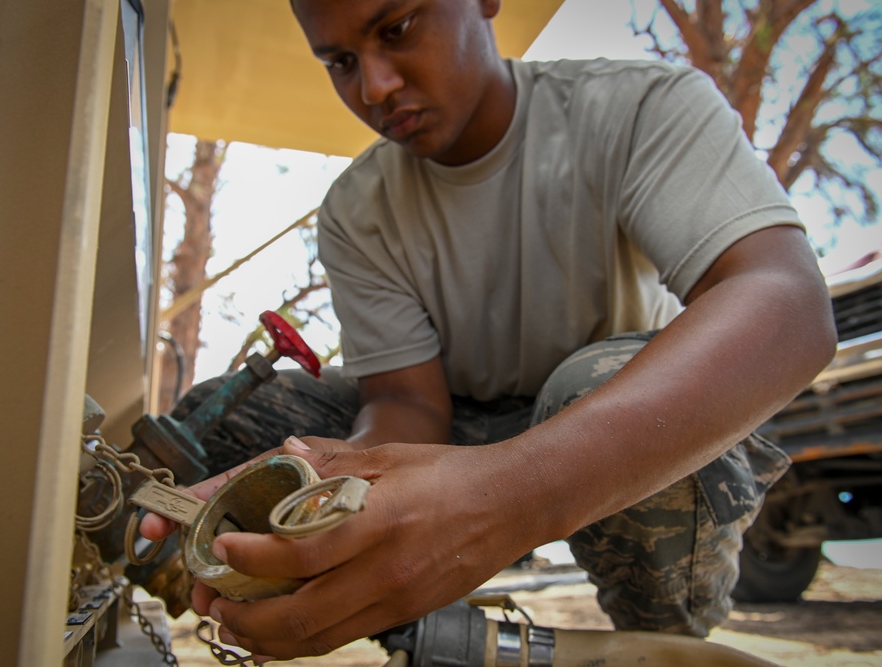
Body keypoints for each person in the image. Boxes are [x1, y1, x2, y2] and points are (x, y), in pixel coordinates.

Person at [142, 0, 837, 660]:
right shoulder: (358, 208)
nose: (376, 86)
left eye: (399, 26)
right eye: (341, 62)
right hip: (464, 438)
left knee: (587, 383)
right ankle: (412, 631)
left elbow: (787, 302)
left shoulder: (636, 108)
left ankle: (662, 643)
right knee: (257, 416)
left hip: (622, 437)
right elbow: (409, 403)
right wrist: (340, 485)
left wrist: (507, 498)